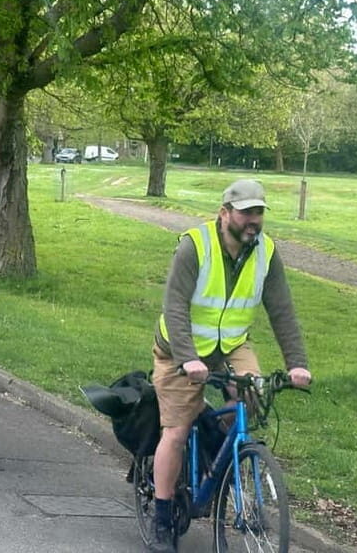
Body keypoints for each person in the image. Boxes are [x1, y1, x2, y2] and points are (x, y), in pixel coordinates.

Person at [149, 178, 312, 553]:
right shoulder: (195, 245)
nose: (253, 220)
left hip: (231, 345)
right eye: (245, 212)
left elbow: (282, 310)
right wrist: (187, 358)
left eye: (259, 212)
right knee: (176, 430)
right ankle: (162, 516)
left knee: (252, 397)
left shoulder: (266, 252)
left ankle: (217, 452)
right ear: (224, 213)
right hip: (181, 347)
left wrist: (297, 364)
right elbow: (175, 306)